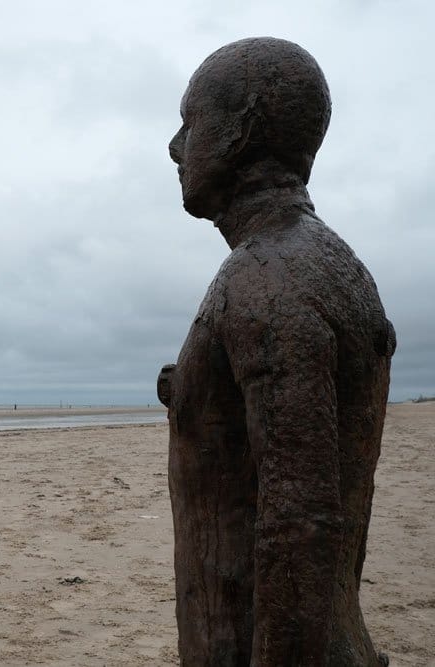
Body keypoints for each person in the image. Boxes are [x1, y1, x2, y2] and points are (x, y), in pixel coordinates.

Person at [159, 37, 394, 666]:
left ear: (242, 129)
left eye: (192, 122)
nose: (176, 146)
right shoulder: (326, 263)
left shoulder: (267, 275)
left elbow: (302, 524)